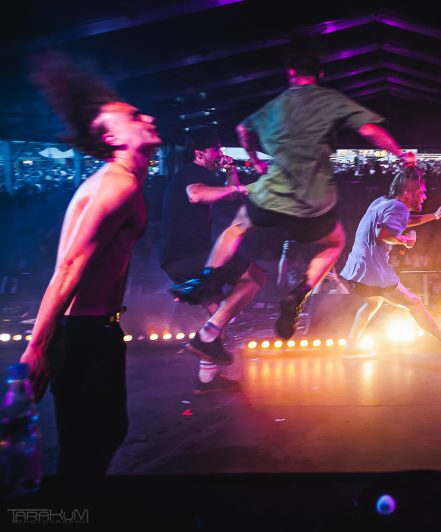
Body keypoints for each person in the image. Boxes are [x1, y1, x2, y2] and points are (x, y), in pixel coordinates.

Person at [171, 41, 415, 339]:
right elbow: (370, 130)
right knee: (335, 242)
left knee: (237, 227)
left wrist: (256, 162)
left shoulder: (277, 104)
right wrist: (401, 155)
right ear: (320, 74)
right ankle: (299, 294)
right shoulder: (331, 100)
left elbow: (243, 130)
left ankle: (204, 279)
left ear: (290, 73)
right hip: (314, 200)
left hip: (273, 192)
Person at [20, 53, 161, 476]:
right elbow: (69, 267)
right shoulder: (117, 185)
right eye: (134, 116)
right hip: (81, 335)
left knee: (105, 435)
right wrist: (36, 347)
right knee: (87, 450)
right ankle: (70, 509)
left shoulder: (124, 180)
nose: (149, 117)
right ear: (112, 138)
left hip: (93, 331)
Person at [159, 129, 266, 394]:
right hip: (189, 257)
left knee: (218, 317)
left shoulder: (202, 173)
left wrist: (231, 173)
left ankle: (205, 381)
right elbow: (196, 194)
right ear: (200, 153)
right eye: (215, 149)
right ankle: (204, 339)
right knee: (255, 277)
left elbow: (232, 195)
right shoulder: (192, 172)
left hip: (179, 259)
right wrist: (240, 186)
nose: (220, 153)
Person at [339, 168, 441, 357]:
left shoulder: (382, 202)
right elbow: (382, 234)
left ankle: (351, 346)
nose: (424, 196)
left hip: (358, 269)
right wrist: (404, 240)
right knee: (413, 302)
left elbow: (403, 221)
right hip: (374, 271)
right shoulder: (398, 208)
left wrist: (434, 215)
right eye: (421, 192)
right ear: (408, 194)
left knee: (372, 304)